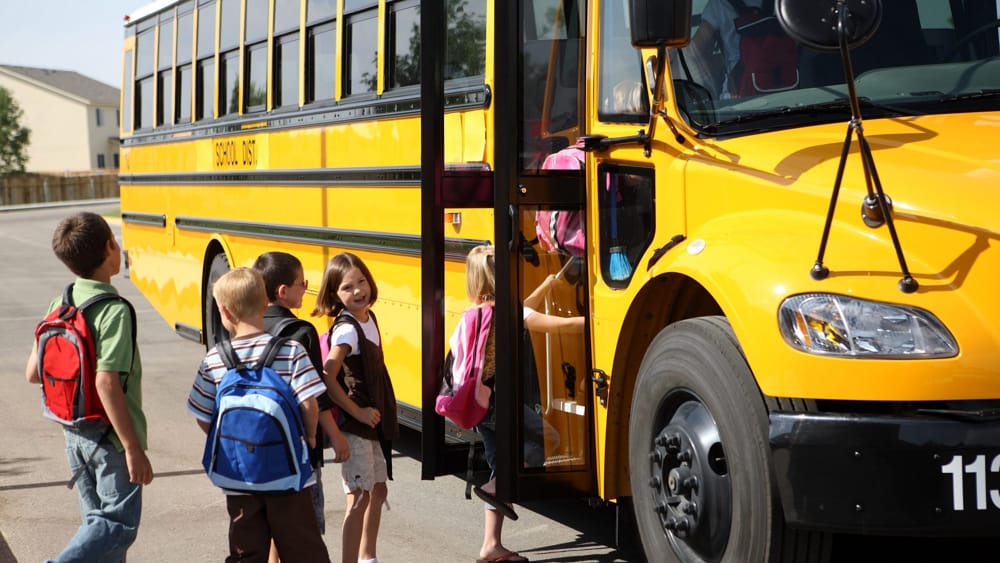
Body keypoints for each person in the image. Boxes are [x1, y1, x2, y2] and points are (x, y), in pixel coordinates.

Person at [23, 211, 154, 563]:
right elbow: (106, 382)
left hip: (74, 435)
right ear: (110, 247)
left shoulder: (60, 303)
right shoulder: (114, 311)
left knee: (99, 533)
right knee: (118, 525)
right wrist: (133, 448)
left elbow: (33, 372)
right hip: (111, 438)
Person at [187, 267, 331, 563]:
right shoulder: (291, 351)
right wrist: (309, 436)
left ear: (224, 312)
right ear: (266, 303)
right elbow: (309, 404)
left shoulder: (215, 359)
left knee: (246, 549)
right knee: (303, 547)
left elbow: (203, 414)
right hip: (288, 473)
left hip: (239, 476)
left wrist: (231, 443)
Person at [253, 251, 351, 563]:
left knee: (272, 520)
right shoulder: (302, 332)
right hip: (297, 447)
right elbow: (315, 396)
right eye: (302, 283)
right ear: (283, 291)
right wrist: (334, 436)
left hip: (258, 444)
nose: (305, 288)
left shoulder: (248, 327)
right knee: (302, 525)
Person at [312, 252, 399, 563]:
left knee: (378, 490)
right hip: (356, 424)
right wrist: (357, 411)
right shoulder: (347, 330)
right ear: (335, 294)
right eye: (347, 287)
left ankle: (367, 556)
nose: (358, 290)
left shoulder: (368, 317)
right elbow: (327, 375)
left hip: (371, 423)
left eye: (361, 281)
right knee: (359, 495)